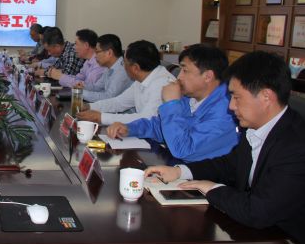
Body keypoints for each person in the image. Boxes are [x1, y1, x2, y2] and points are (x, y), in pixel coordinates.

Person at [145, 51, 305, 244]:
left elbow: (258, 211)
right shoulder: (256, 127)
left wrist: (211, 188)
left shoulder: (297, 145)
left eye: (236, 97)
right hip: (258, 236)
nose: (231, 106)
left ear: (266, 97)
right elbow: (228, 164)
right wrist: (180, 171)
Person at [107, 44, 239, 162]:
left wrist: (171, 104)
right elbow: (159, 127)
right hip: (180, 168)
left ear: (208, 76)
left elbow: (183, 150)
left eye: (185, 70)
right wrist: (130, 128)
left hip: (206, 176)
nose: (179, 77)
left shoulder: (226, 111)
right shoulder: (190, 98)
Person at [77, 40, 174, 125]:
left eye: (124, 62)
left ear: (135, 68)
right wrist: (89, 106)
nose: (123, 66)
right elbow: (119, 102)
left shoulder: (163, 84)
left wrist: (101, 117)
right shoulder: (141, 79)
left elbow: (146, 119)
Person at [79, 34, 133, 103]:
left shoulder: (123, 70)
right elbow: (98, 87)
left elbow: (109, 97)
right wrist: (83, 86)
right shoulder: (108, 67)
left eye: (97, 52)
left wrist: (80, 93)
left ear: (109, 53)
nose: (95, 56)